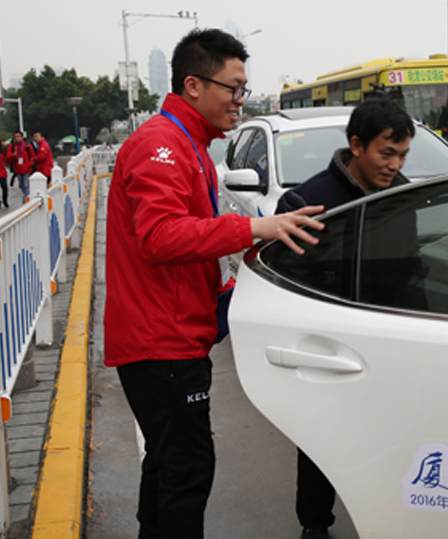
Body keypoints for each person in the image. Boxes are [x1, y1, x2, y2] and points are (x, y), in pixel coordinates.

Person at [104, 28, 324, 539]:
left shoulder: (190, 144)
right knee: (186, 471)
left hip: (171, 335)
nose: (240, 100)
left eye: (244, 88)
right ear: (194, 85)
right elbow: (159, 237)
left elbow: (192, 240)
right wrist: (253, 227)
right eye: (234, 87)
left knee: (167, 466)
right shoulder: (160, 144)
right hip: (161, 342)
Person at [276, 96, 415, 539]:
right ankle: (315, 522)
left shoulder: (405, 198)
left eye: (402, 155)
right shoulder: (308, 201)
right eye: (386, 153)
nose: (395, 165)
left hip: (388, 339)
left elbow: (411, 269)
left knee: (389, 440)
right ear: (357, 145)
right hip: (328, 344)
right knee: (321, 438)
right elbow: (286, 281)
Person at [6, 131, 35, 199]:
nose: (17, 138)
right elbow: (8, 157)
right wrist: (13, 155)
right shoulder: (12, 146)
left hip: (27, 170)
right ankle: (26, 196)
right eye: (15, 137)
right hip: (18, 169)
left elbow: (33, 157)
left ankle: (26, 199)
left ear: (22, 137)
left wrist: (28, 165)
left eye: (18, 136)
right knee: (22, 185)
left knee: (26, 185)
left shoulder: (27, 145)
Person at [0, 139, 9, 209]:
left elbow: (7, 158)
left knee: (4, 188)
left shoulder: (3, 151)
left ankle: (5, 200)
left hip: (2, 171)